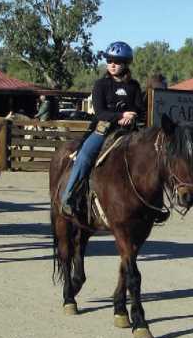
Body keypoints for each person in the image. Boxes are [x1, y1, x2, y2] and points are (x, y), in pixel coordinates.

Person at [60, 41, 145, 217]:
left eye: (117, 61)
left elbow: (139, 108)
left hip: (129, 131)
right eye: (109, 60)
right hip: (103, 129)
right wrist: (121, 116)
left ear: (126, 64)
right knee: (84, 155)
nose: (112, 65)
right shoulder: (101, 85)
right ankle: (68, 197)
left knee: (148, 156)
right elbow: (100, 112)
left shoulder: (134, 86)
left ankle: (152, 204)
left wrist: (133, 115)